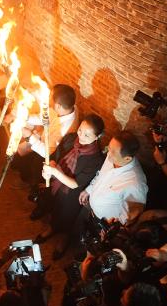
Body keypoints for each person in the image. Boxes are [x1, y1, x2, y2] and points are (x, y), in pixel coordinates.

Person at [67, 131, 147, 258]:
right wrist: (89, 190)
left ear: (127, 159)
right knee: (78, 235)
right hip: (90, 210)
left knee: (93, 254)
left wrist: (112, 231)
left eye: (113, 151)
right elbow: (100, 175)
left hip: (104, 226)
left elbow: (133, 215)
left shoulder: (136, 183)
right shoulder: (112, 157)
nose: (108, 153)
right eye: (109, 148)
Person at [35, 113, 105, 252]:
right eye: (80, 130)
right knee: (55, 209)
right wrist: (51, 167)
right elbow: (56, 156)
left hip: (73, 195)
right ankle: (52, 228)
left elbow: (75, 184)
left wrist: (54, 172)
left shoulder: (96, 159)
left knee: (68, 217)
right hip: (57, 185)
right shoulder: (71, 138)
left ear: (97, 137)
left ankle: (64, 239)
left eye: (87, 135)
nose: (81, 136)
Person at [13, 83, 79, 199]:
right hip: (44, 140)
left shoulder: (64, 129)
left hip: (51, 154)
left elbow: (47, 152)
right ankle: (23, 175)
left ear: (58, 106)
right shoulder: (66, 107)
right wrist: (26, 117)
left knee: (35, 164)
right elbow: (43, 118)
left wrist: (29, 137)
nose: (49, 100)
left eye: (51, 98)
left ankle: (33, 188)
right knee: (22, 151)